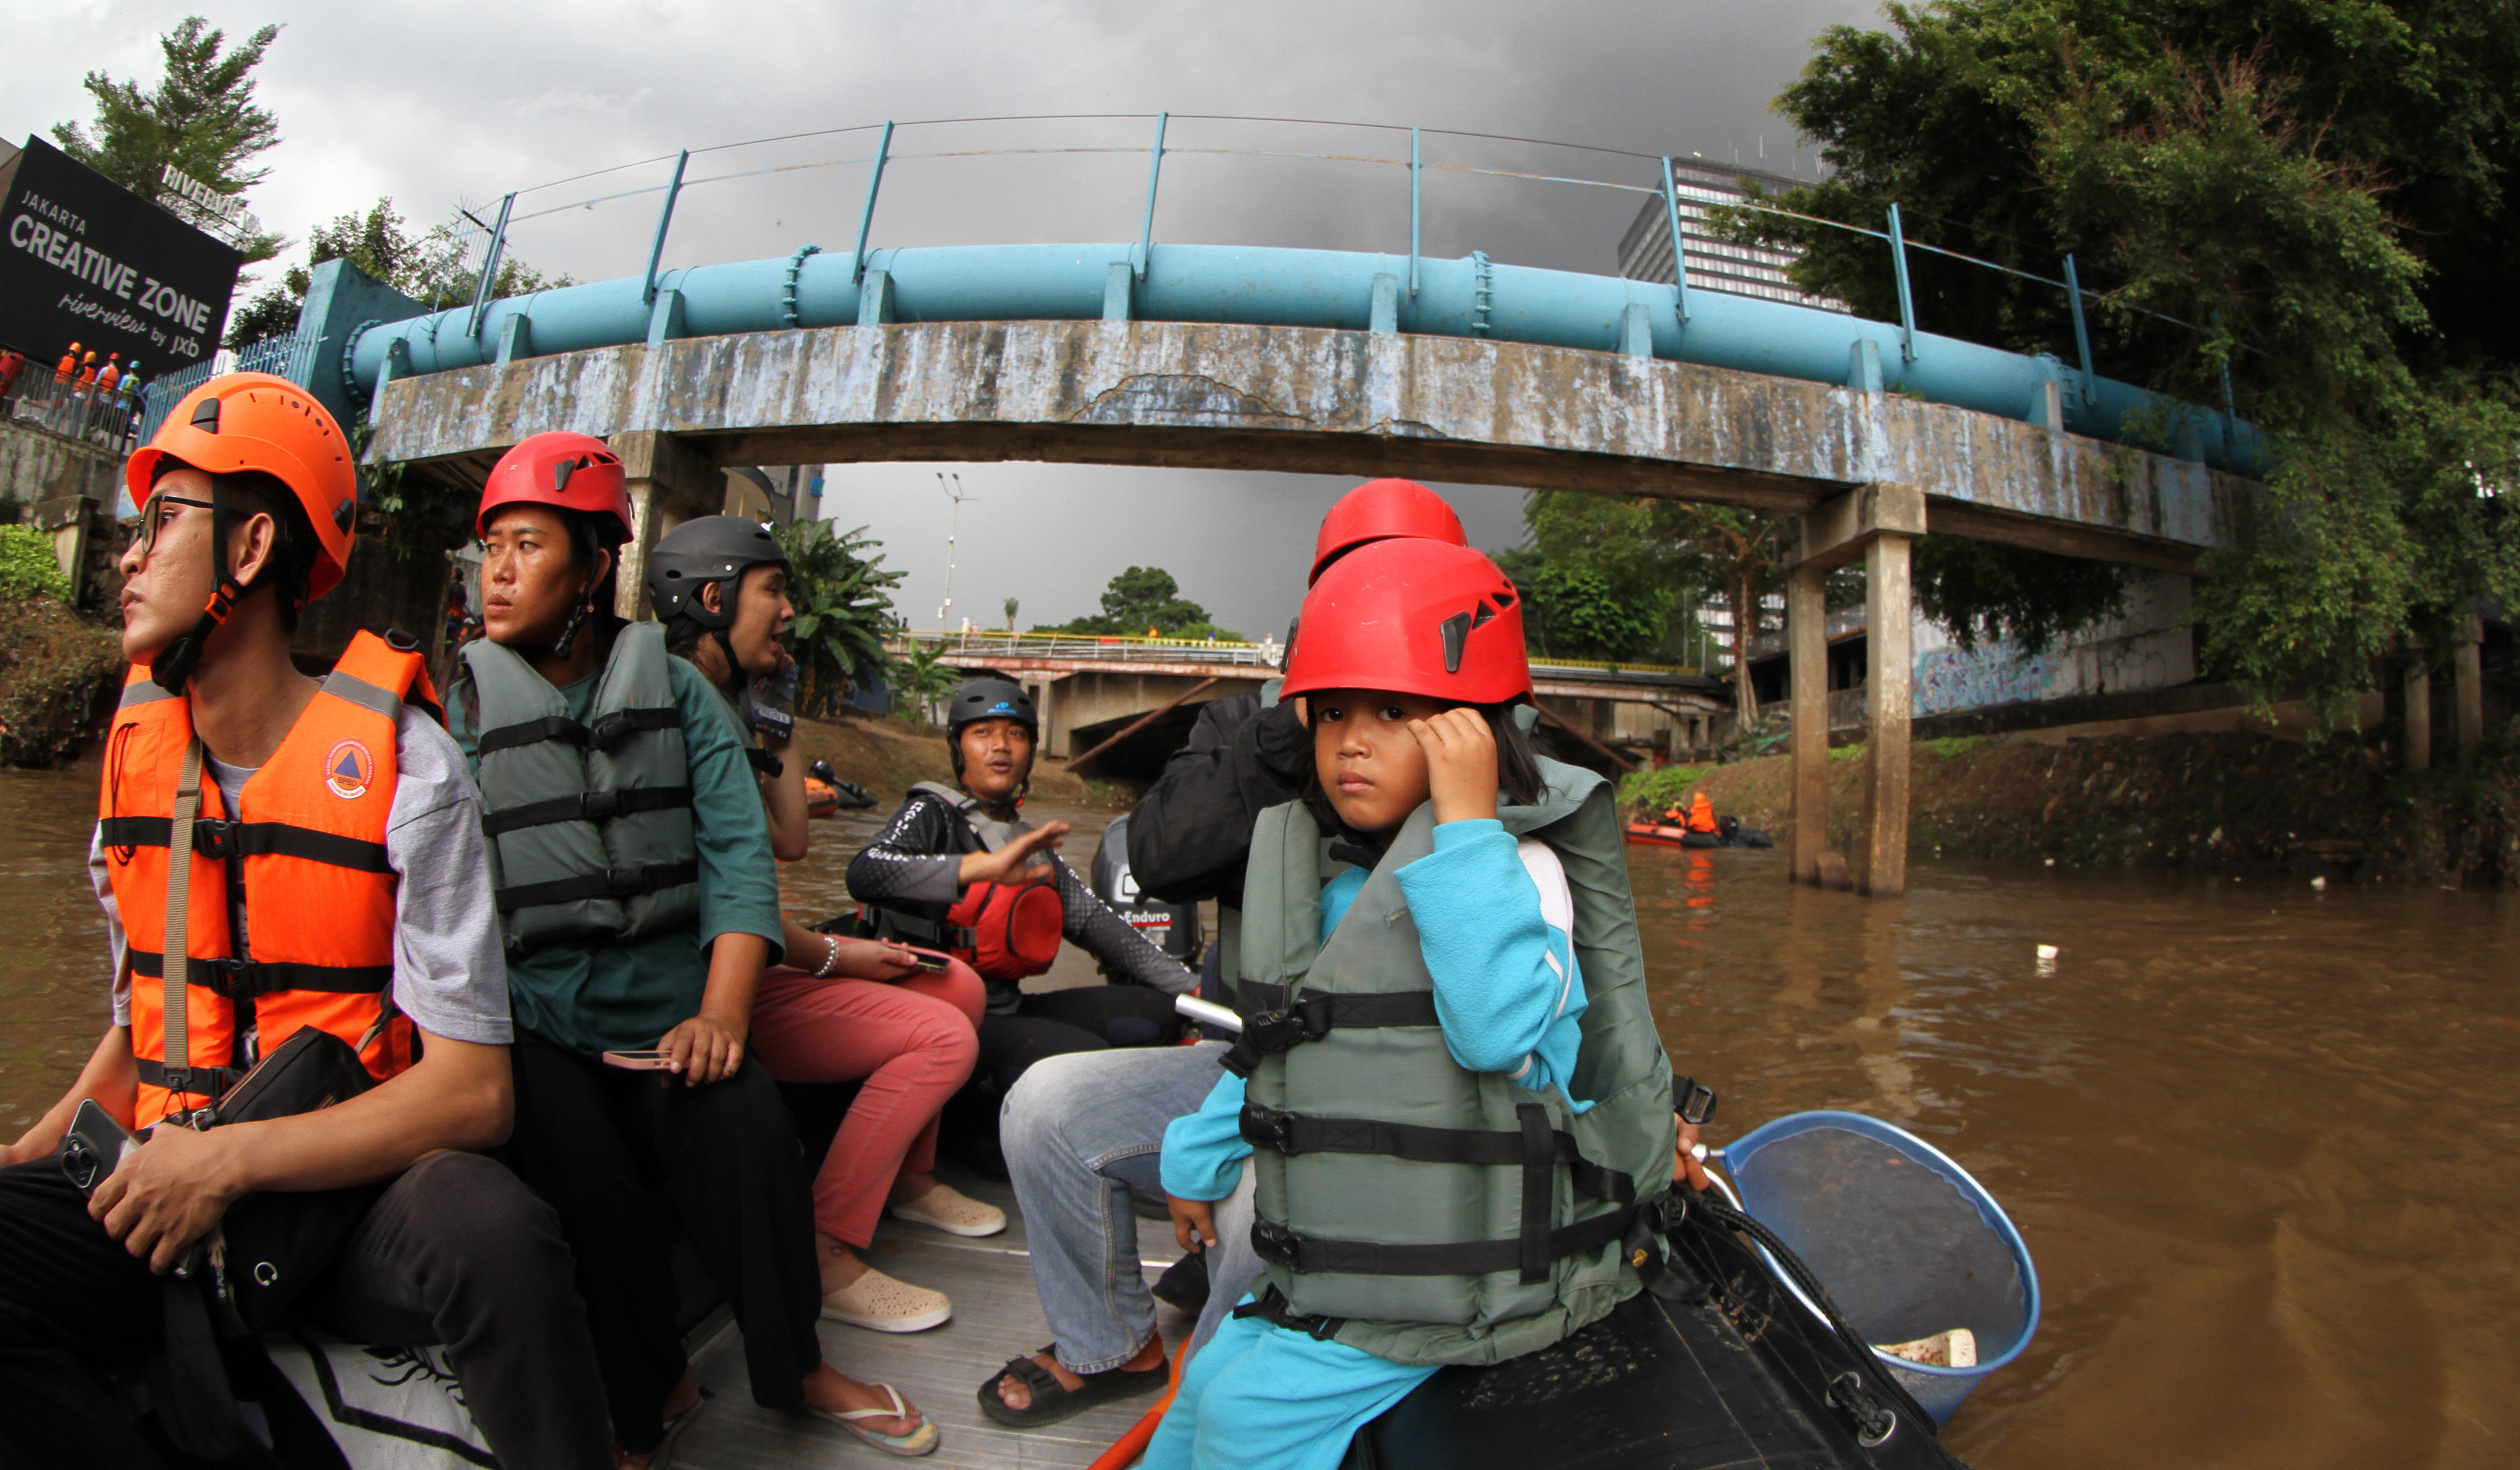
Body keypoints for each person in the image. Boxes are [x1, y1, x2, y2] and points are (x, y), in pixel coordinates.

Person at [0, 372, 614, 1468]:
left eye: (163, 522)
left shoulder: (407, 768)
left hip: (343, 1202)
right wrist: (31, 1159)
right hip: (156, 1181)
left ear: (249, 553)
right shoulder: (133, 757)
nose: (129, 557)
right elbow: (145, 1017)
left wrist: (227, 1163)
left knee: (491, 1229)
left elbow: (473, 1092)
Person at [1147, 534, 1696, 1470]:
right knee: (1202, 1390)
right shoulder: (1336, 883)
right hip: (1343, 1274)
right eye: (1332, 716)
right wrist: (1193, 1157)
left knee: (1241, 1421)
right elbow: (1290, 1053)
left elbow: (1491, 1035)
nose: (1350, 741)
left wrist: (1472, 821)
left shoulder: (1516, 872)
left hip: (1459, 1287)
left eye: (1394, 712)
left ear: (1473, 737)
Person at [445, 447, 937, 1461]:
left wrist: (720, 1015)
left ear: (589, 571)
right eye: (489, 549)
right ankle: (650, 1381)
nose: (496, 572)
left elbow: (740, 868)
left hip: (675, 1010)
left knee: (748, 1124)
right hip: (542, 1020)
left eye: (526, 548)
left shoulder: (681, 699)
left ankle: (795, 1362)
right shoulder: (464, 711)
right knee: (577, 1169)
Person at [979, 478, 1477, 1429]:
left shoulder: (1491, 750)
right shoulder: (1256, 729)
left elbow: (1567, 961)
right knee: (1044, 1108)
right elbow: (1162, 855)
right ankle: (1109, 1342)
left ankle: (1213, 1400)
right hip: (1249, 1066)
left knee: (1262, 1207)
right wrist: (1294, 725)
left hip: (1402, 1099)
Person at [647, 511, 1003, 1337]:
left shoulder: (726, 707)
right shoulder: (675, 713)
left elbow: (790, 840)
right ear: (712, 597)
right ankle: (825, 1243)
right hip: (718, 978)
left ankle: (908, 1181)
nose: (788, 614)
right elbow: (731, 906)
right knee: (943, 1036)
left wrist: (775, 716)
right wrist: (842, 954)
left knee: (957, 986)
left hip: (760, 956)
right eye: (772, 592)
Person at [847, 678, 1196, 1174]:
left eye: (1016, 734)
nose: (1000, 746)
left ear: (1031, 749)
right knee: (1087, 1060)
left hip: (1005, 1010)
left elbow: (1096, 923)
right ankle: (966, 1133)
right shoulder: (929, 814)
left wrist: (1194, 989)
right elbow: (865, 871)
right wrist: (979, 870)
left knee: (1157, 1014)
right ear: (958, 747)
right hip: (940, 1021)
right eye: (982, 732)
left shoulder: (1029, 841)